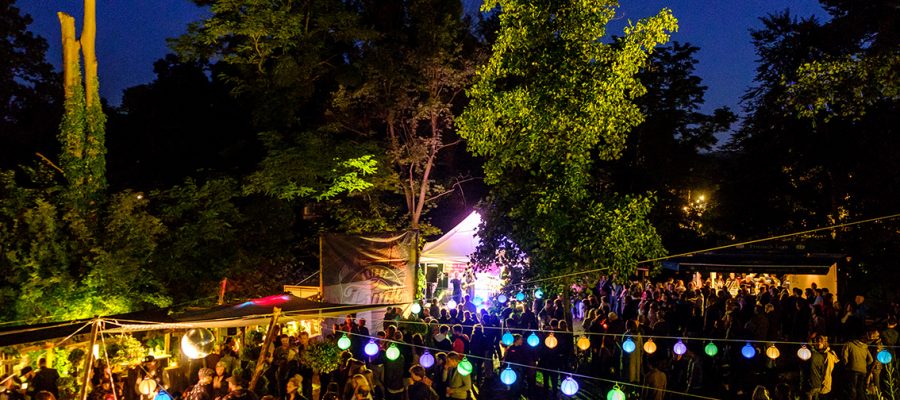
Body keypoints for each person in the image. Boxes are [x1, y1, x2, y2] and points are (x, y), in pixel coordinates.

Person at [805, 334, 837, 399]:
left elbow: (829, 369)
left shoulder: (829, 354)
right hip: (814, 382)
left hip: (823, 381)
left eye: (821, 341)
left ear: (825, 342)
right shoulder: (815, 352)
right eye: (818, 341)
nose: (819, 342)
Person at [843, 333, 873, 400]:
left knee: (853, 387)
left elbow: (845, 357)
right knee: (860, 387)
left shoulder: (849, 344)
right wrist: (864, 364)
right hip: (863, 370)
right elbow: (871, 359)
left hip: (853, 369)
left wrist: (847, 365)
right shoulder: (865, 346)